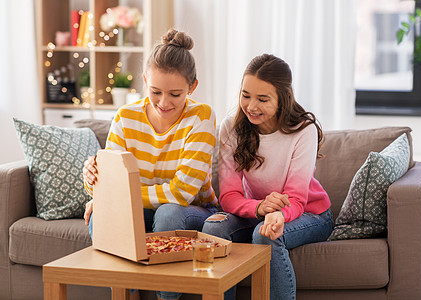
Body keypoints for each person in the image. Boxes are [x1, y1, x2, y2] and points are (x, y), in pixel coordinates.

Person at [82, 29, 217, 300]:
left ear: (192, 87)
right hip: (139, 208)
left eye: (175, 94)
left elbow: (181, 194)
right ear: (144, 81)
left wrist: (117, 196)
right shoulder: (125, 117)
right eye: (155, 92)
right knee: (102, 216)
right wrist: (96, 182)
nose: (164, 103)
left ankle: (166, 296)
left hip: (191, 210)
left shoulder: (201, 117)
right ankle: (125, 293)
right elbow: (109, 182)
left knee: (168, 213)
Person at [202, 54, 334, 300]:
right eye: (245, 95)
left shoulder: (302, 131)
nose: (251, 106)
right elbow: (229, 196)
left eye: (262, 99)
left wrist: (277, 214)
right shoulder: (231, 127)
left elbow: (296, 199)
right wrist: (260, 207)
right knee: (213, 228)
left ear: (282, 99)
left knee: (264, 234)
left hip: (309, 213)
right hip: (258, 211)